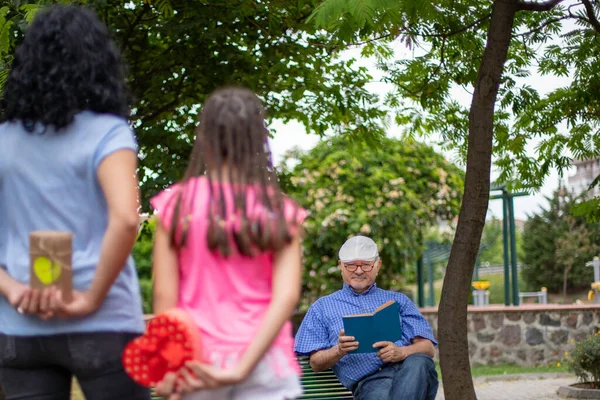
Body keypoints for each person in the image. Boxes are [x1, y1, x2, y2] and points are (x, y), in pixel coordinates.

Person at [0, 5, 149, 400]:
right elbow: (125, 219)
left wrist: (13, 289)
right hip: (103, 324)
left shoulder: (4, 139)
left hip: (19, 326)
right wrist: (89, 298)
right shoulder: (108, 132)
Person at [151, 86, 306, 400]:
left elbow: (164, 297)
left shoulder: (175, 205)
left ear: (205, 138)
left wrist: (167, 366)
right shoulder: (279, 210)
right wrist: (242, 368)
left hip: (197, 360)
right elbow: (286, 296)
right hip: (265, 360)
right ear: (257, 141)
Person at [294, 236, 439, 400]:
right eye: (351, 265)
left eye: (365, 265)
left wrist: (401, 352)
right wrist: (339, 350)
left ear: (378, 265)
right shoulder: (321, 308)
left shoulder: (399, 300)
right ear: (341, 266)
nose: (358, 271)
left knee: (419, 362)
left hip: (410, 371)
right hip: (372, 382)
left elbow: (428, 348)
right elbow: (315, 363)